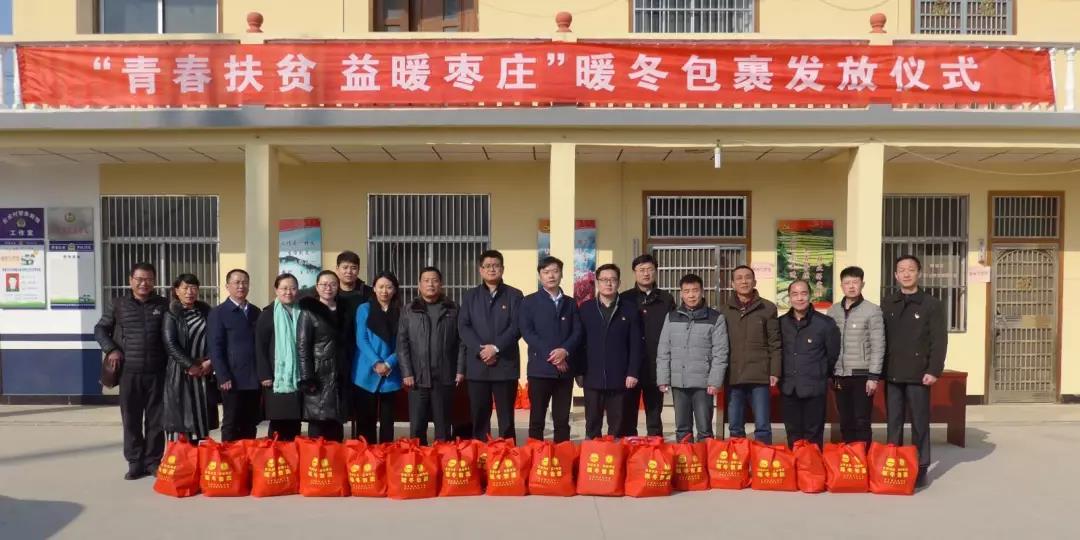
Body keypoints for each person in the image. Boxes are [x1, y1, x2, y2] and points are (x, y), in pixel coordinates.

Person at [94, 262, 170, 480]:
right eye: (139, 279)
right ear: (130, 281)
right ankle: (135, 462)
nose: (144, 283)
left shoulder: (163, 304)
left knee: (156, 421)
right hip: (129, 372)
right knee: (131, 420)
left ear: (154, 282)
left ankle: (153, 462)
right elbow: (100, 329)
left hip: (157, 372)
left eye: (148, 279)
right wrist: (111, 349)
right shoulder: (118, 304)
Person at [883, 255, 947, 488]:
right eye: (901, 270)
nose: (906, 273)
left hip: (919, 374)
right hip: (892, 372)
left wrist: (934, 370)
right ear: (895, 275)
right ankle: (894, 463)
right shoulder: (888, 303)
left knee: (920, 423)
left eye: (911, 269)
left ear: (919, 273)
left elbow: (939, 340)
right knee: (894, 422)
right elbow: (881, 338)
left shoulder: (931, 304)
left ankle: (920, 467)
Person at [458, 250, 524, 441]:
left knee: (506, 417)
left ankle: (507, 452)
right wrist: (481, 350)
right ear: (480, 270)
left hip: (505, 364)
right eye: (487, 266)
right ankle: (480, 450)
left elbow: (517, 326)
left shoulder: (514, 295)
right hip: (478, 365)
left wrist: (495, 348)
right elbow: (463, 326)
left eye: (496, 265)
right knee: (479, 414)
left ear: (502, 269)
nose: (492, 269)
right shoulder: (470, 296)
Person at [656, 274, 729, 442]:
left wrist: (715, 381)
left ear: (702, 292)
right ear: (681, 294)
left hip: (703, 384)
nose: (691, 295)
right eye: (686, 291)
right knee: (682, 428)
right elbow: (664, 350)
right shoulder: (671, 317)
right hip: (678, 382)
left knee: (704, 429)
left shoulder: (715, 318)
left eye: (695, 290)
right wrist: (663, 379)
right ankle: (685, 458)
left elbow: (720, 353)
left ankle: (704, 457)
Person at [398, 266, 466, 445]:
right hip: (417, 378)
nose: (430, 284)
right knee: (417, 428)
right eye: (426, 281)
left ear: (441, 284)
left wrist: (460, 370)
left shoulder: (453, 309)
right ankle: (417, 459)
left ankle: (442, 458)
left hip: (444, 376)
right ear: (419, 285)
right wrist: (406, 372)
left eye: (435, 280)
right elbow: (402, 343)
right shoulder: (409, 310)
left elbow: (462, 342)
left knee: (443, 426)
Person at [520, 256, 583, 443]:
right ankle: (535, 455)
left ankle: (562, 455)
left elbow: (577, 331)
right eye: (546, 272)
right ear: (540, 276)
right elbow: (527, 332)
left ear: (561, 274)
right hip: (540, 369)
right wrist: (555, 355)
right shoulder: (529, 302)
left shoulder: (570, 303)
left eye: (555, 271)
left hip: (565, 371)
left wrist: (565, 351)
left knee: (562, 420)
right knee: (537, 419)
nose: (551, 276)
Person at [578, 264, 643, 439]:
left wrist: (632, 372)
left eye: (613, 280)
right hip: (592, 376)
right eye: (604, 280)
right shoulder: (586, 309)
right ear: (597, 283)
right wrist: (579, 372)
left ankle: (616, 454)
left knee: (618, 425)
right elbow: (579, 343)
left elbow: (636, 344)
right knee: (592, 424)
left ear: (619, 283)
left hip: (620, 378)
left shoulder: (629, 309)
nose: (609, 283)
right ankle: (593, 454)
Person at [720, 265, 782, 443]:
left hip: (759, 375)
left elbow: (775, 343)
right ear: (732, 284)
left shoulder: (767, 308)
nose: (744, 281)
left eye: (748, 277)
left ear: (754, 281)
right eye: (739, 278)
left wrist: (775, 371)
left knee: (762, 425)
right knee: (735, 425)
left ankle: (763, 457)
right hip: (733, 375)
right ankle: (738, 458)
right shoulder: (723, 311)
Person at [826, 266, 885, 448]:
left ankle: (863, 456)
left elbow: (878, 345)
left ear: (862, 284)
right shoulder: (833, 311)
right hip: (839, 374)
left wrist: (873, 376)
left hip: (862, 374)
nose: (851, 286)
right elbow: (829, 343)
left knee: (861, 419)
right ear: (841, 286)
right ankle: (849, 457)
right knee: (845, 419)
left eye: (855, 282)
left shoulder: (872, 310)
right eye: (847, 283)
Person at [779, 280, 840, 449]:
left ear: (810, 296)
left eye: (803, 293)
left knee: (813, 435)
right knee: (793, 434)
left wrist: (820, 372)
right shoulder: (780, 323)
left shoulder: (825, 323)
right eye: (795, 294)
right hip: (789, 387)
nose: (799, 298)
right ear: (789, 297)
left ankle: (812, 465)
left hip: (815, 388)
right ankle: (796, 464)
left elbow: (832, 354)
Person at [620, 254, 675, 438]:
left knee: (654, 414)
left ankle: (655, 449)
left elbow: (673, 332)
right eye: (641, 270)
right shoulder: (625, 299)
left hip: (655, 365)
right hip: (630, 367)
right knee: (628, 413)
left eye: (650, 269)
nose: (646, 274)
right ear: (634, 273)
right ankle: (630, 449)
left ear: (655, 272)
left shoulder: (666, 299)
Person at [161, 273, 218, 445]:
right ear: (176, 291)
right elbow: (170, 344)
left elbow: (217, 339)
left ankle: (199, 456)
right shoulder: (171, 314)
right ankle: (179, 457)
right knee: (180, 418)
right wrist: (189, 365)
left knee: (201, 417)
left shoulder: (207, 312)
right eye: (185, 288)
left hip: (204, 371)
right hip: (181, 373)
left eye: (193, 288)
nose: (190, 292)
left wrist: (210, 361)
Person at [207, 269, 262, 441]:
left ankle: (248, 455)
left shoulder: (255, 312)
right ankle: (229, 457)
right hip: (232, 378)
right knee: (231, 422)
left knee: (250, 423)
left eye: (244, 282)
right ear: (227, 286)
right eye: (237, 282)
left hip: (253, 377)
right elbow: (215, 347)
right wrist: (223, 375)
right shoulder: (218, 312)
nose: (241, 286)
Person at [297, 270, 350, 442]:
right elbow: (303, 348)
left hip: (339, 372)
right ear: (317, 287)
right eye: (324, 284)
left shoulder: (344, 310)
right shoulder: (308, 312)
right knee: (318, 422)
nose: (328, 288)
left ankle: (335, 458)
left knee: (336, 423)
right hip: (319, 373)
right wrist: (307, 378)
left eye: (333, 284)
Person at [354, 271, 403, 443]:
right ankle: (365, 455)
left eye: (389, 287)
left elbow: (403, 342)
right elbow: (361, 339)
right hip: (366, 370)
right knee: (365, 422)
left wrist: (389, 363)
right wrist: (376, 362)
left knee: (388, 422)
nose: (384, 291)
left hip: (391, 372)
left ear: (395, 290)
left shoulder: (401, 312)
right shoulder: (364, 309)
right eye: (380, 287)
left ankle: (385, 455)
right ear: (374, 288)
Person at [255, 273, 305, 441]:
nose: (288, 292)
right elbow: (260, 346)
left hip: (297, 377)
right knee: (278, 422)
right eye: (284, 288)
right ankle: (275, 454)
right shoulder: (268, 314)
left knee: (295, 422)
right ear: (276, 290)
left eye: (292, 288)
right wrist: (264, 375)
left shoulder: (302, 311)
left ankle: (292, 453)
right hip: (276, 378)